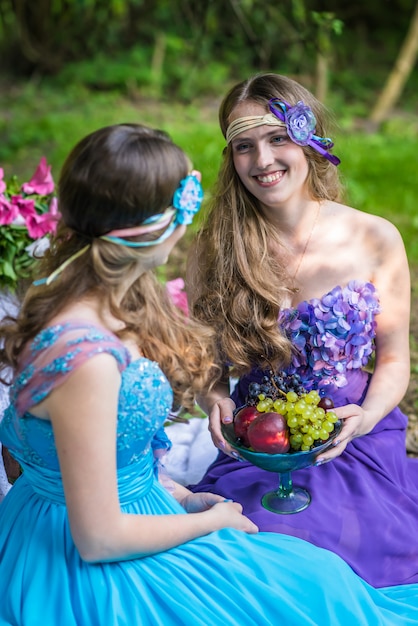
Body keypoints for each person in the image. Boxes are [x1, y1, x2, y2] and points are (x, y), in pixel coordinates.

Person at [1, 123, 418, 626]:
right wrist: (210, 521)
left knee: (320, 580)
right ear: (163, 223)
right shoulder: (86, 358)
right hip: (91, 553)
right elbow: (98, 536)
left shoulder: (90, 306)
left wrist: (176, 493)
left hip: (142, 502)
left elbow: (37, 455)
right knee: (311, 591)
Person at [187, 72, 418, 589]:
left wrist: (366, 416)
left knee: (329, 556)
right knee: (242, 554)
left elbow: (395, 359)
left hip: (352, 436)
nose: (262, 161)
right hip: (258, 445)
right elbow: (204, 360)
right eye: (244, 146)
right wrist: (214, 398)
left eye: (277, 139)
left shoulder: (374, 237)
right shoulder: (215, 248)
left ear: (308, 139)